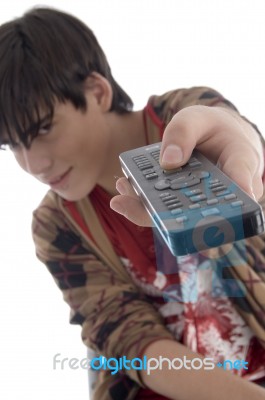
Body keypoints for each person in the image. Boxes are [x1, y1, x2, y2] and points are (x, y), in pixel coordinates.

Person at [0, 6, 265, 400]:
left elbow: (227, 130)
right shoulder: (56, 224)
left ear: (97, 91)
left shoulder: (178, 119)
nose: (33, 164)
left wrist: (246, 150)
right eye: (12, 145)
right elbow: (129, 339)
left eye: (43, 128)